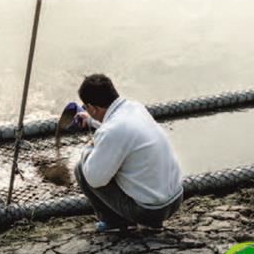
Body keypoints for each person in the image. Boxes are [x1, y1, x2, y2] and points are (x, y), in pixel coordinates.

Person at [73, 74, 183, 232]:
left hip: (151, 211)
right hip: (176, 198)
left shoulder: (111, 132)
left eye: (86, 108)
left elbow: (94, 179)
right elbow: (119, 128)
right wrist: (91, 121)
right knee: (117, 159)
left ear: (92, 108)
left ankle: (115, 222)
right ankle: (133, 218)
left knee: (82, 169)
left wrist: (90, 148)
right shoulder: (135, 107)